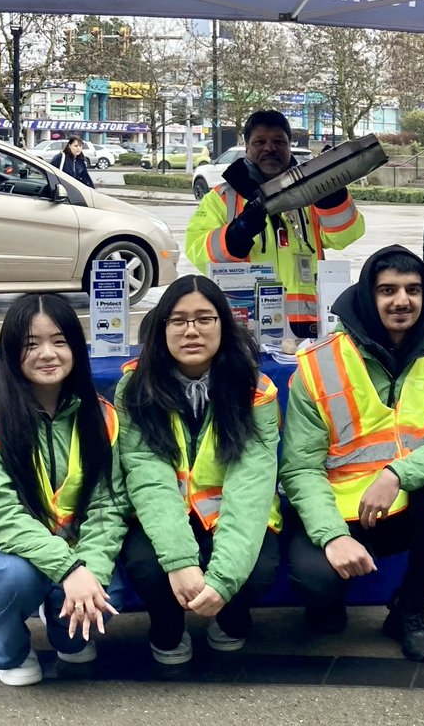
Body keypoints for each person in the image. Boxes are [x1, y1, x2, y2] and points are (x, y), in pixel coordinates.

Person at [281, 245, 424, 662]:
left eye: (413, 290)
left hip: (400, 505)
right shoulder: (320, 364)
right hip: (334, 513)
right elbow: (299, 469)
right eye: (387, 290)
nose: (402, 301)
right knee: (317, 588)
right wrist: (332, 535)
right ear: (368, 295)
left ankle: (409, 610)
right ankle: (328, 603)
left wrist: (396, 475)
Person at [0, 294, 125, 686]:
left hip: (77, 546)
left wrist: (90, 570)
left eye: (60, 341)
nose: (47, 353)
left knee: (105, 591)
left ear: (76, 349)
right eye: (31, 344)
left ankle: (62, 618)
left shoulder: (101, 415)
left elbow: (108, 506)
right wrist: (69, 568)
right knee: (11, 577)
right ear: (11, 352)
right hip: (8, 550)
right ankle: (10, 649)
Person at [116, 276, 280, 664]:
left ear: (224, 325)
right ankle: (167, 630)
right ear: (162, 329)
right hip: (164, 514)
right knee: (147, 564)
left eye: (205, 318)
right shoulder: (135, 387)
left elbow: (251, 486)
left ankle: (232, 620)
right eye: (178, 320)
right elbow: (147, 476)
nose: (192, 331)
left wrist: (223, 580)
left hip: (230, 515)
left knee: (257, 569)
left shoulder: (255, 390)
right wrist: (180, 562)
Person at [186, 110, 365, 337]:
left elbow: (344, 236)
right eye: (260, 142)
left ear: (290, 145)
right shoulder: (222, 198)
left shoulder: (312, 193)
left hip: (310, 327)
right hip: (246, 328)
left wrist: (332, 193)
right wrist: (235, 235)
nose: (269, 148)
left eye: (279, 141)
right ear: (247, 147)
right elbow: (197, 251)